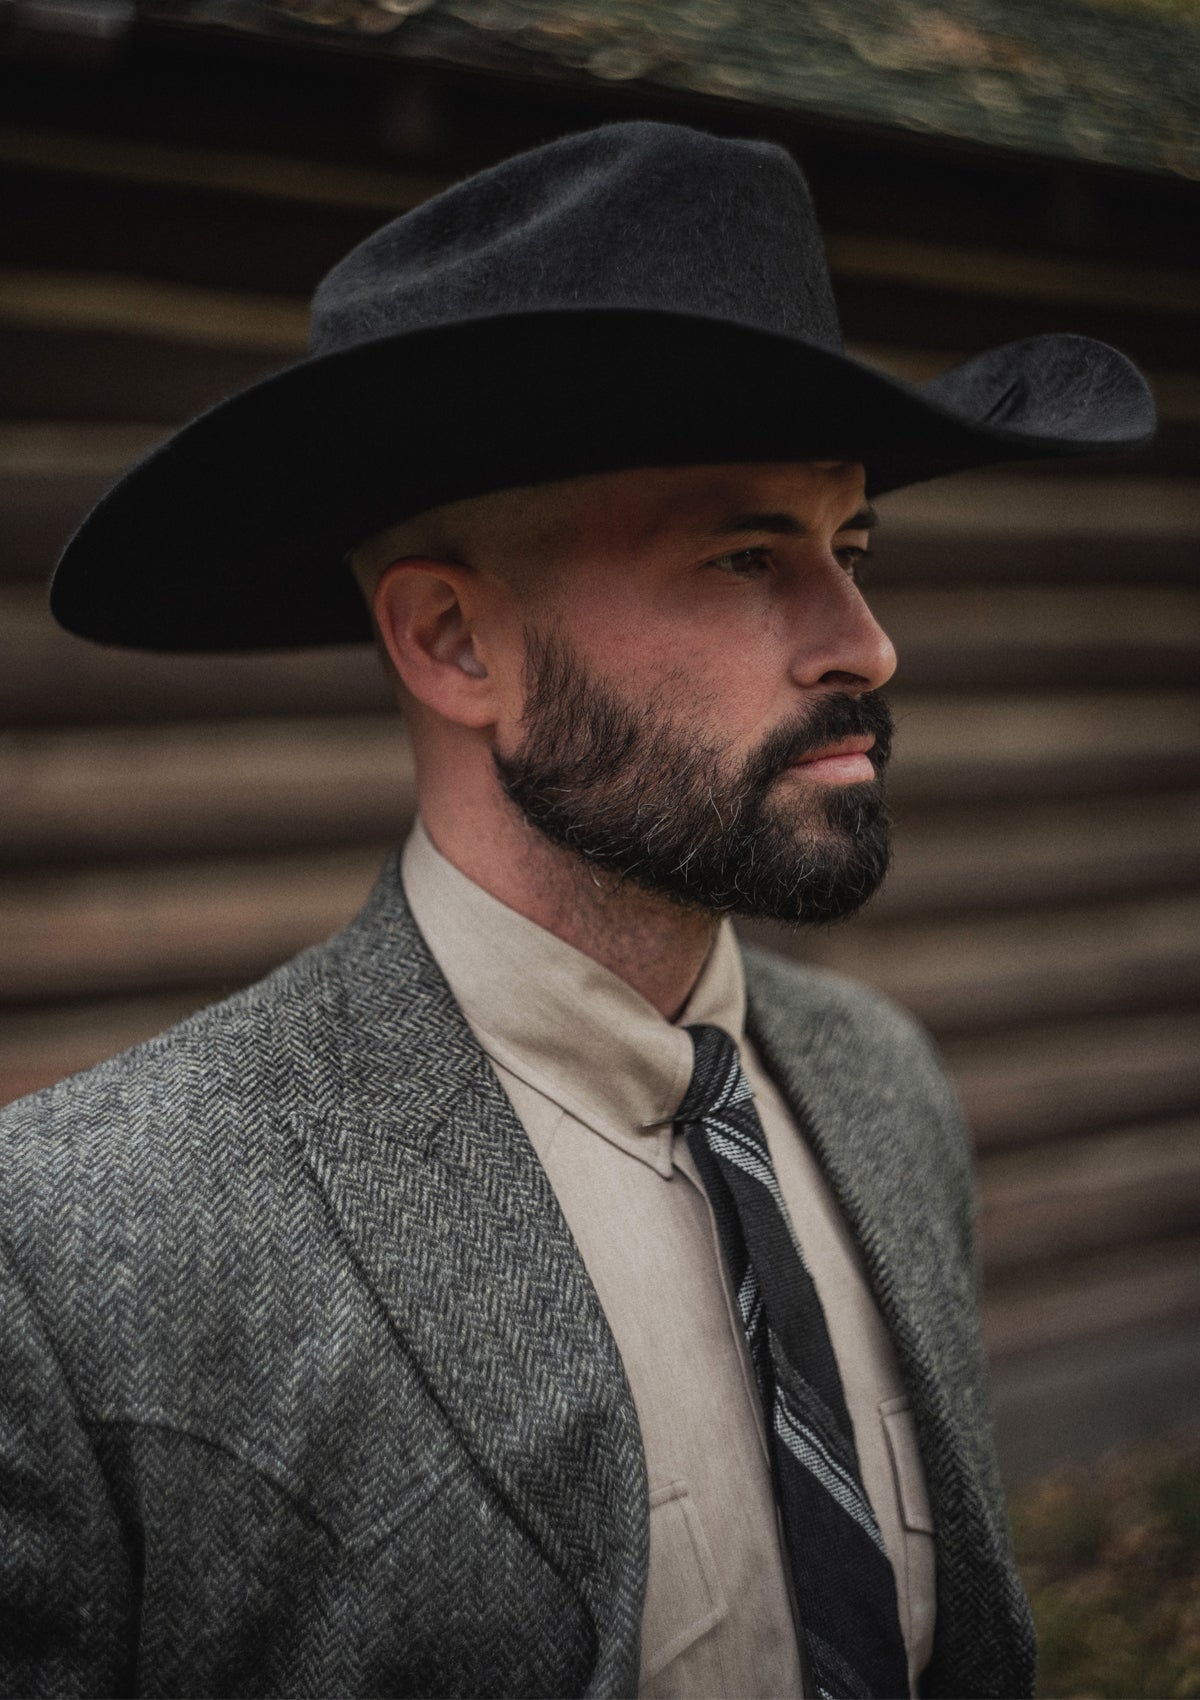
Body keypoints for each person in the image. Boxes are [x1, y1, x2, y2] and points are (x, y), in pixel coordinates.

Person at [1, 120, 1153, 1700]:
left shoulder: (884, 1085)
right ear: (455, 646)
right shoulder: (77, 1248)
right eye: (749, 555)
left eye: (852, 541)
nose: (866, 644)